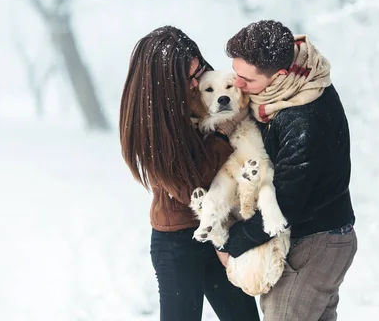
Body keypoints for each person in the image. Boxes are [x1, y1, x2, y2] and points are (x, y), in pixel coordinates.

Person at [217, 20, 357, 321]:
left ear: (280, 74)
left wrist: (232, 243)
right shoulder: (294, 86)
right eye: (235, 74)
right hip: (317, 237)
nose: (238, 85)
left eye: (247, 80)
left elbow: (285, 201)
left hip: (316, 242)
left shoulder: (304, 117)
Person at [119, 26, 260, 321]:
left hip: (220, 227)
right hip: (177, 242)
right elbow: (191, 186)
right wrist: (222, 133)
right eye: (190, 77)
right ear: (165, 83)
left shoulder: (204, 96)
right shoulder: (152, 125)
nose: (198, 83)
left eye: (200, 71)